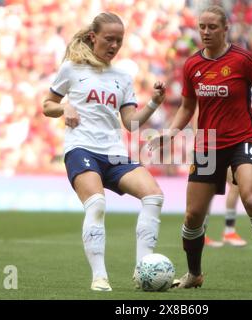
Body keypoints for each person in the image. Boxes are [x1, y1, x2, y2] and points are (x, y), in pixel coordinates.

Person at [150, 5, 252, 289]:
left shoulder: (243, 60)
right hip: (207, 145)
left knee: (251, 198)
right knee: (193, 215)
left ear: (225, 29)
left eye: (212, 27)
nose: (206, 32)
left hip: (243, 139)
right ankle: (194, 275)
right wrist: (169, 133)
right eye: (202, 27)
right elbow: (187, 107)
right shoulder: (192, 65)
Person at [43, 12, 166, 292]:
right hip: (81, 148)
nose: (113, 45)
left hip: (114, 153)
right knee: (96, 204)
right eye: (109, 39)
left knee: (154, 196)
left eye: (119, 41)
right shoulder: (72, 70)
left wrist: (155, 103)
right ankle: (100, 277)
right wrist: (65, 107)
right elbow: (47, 105)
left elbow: (131, 123)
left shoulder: (123, 76)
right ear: (92, 37)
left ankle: (143, 270)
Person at [204, 167, 248, 248]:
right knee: (206, 186)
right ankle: (201, 234)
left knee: (235, 183)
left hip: (225, 154)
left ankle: (229, 231)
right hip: (206, 155)